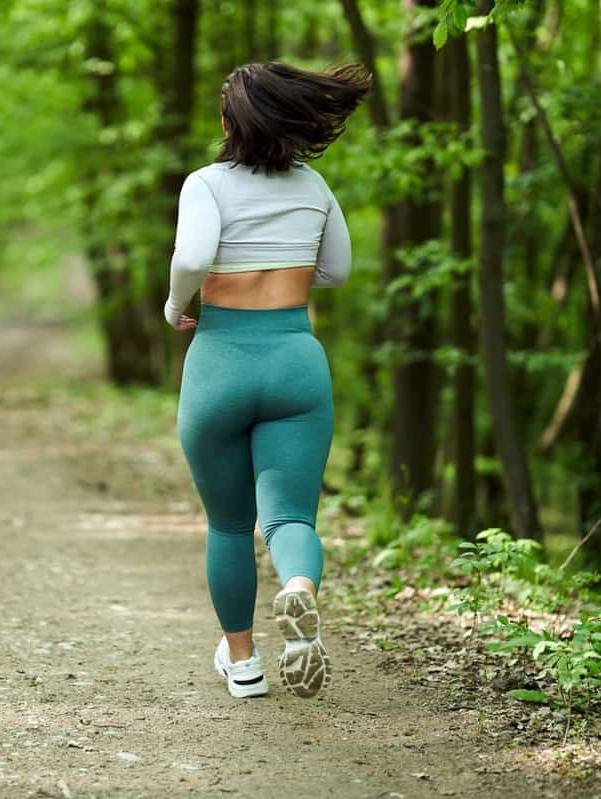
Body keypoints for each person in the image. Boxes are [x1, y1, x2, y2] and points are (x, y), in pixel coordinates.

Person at [163, 61, 370, 699]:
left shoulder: (206, 184)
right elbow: (337, 271)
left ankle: (244, 662)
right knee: (289, 519)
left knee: (229, 525)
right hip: (294, 362)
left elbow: (194, 256)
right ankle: (299, 592)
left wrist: (175, 304)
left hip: (222, 359)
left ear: (230, 122)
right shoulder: (313, 186)